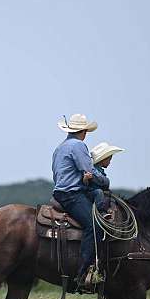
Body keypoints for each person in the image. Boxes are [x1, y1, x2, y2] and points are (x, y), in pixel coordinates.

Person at [52, 114, 101, 289]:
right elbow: (89, 172)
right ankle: (83, 272)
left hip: (59, 192)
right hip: (72, 194)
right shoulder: (78, 146)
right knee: (93, 225)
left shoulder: (60, 147)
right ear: (83, 131)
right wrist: (102, 181)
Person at [88, 142, 124, 213]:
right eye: (109, 159)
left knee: (106, 193)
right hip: (92, 192)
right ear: (104, 159)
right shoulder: (96, 171)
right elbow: (103, 183)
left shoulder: (97, 170)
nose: (110, 162)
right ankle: (101, 212)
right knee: (99, 192)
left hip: (93, 191)